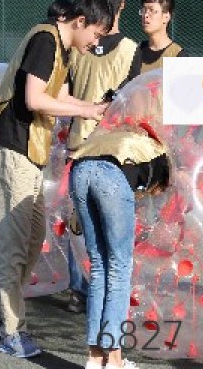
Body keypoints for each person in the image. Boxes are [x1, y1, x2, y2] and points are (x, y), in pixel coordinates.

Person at [0, 0, 113, 358]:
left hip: (30, 154)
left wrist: (93, 108)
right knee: (15, 246)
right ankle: (11, 332)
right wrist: (85, 110)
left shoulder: (64, 50)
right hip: (14, 149)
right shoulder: (45, 40)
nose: (96, 43)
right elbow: (35, 99)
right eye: (96, 34)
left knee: (34, 239)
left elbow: (62, 98)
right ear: (80, 21)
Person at [65, 0, 141, 313]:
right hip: (104, 153)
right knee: (105, 249)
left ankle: (85, 296)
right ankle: (101, 310)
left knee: (89, 239)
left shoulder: (125, 49)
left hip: (92, 149)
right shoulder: (119, 48)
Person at [69, 124, 170, 369]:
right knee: (119, 269)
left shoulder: (120, 139)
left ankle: (94, 358)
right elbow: (154, 191)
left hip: (79, 168)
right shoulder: (161, 156)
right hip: (111, 175)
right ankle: (114, 359)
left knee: (98, 267)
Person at [138, 0, 185, 73]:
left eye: (152, 10)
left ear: (166, 17)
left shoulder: (178, 56)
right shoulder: (135, 52)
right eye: (144, 10)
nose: (146, 15)